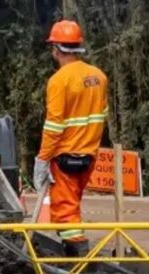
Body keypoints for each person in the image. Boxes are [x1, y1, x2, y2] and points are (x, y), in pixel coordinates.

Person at [31, 20, 109, 257]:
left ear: (56, 48)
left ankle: (78, 263)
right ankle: (77, 259)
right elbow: (101, 117)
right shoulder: (99, 77)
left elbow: (54, 127)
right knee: (72, 207)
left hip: (65, 159)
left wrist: (42, 160)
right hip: (89, 157)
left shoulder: (59, 81)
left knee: (66, 215)